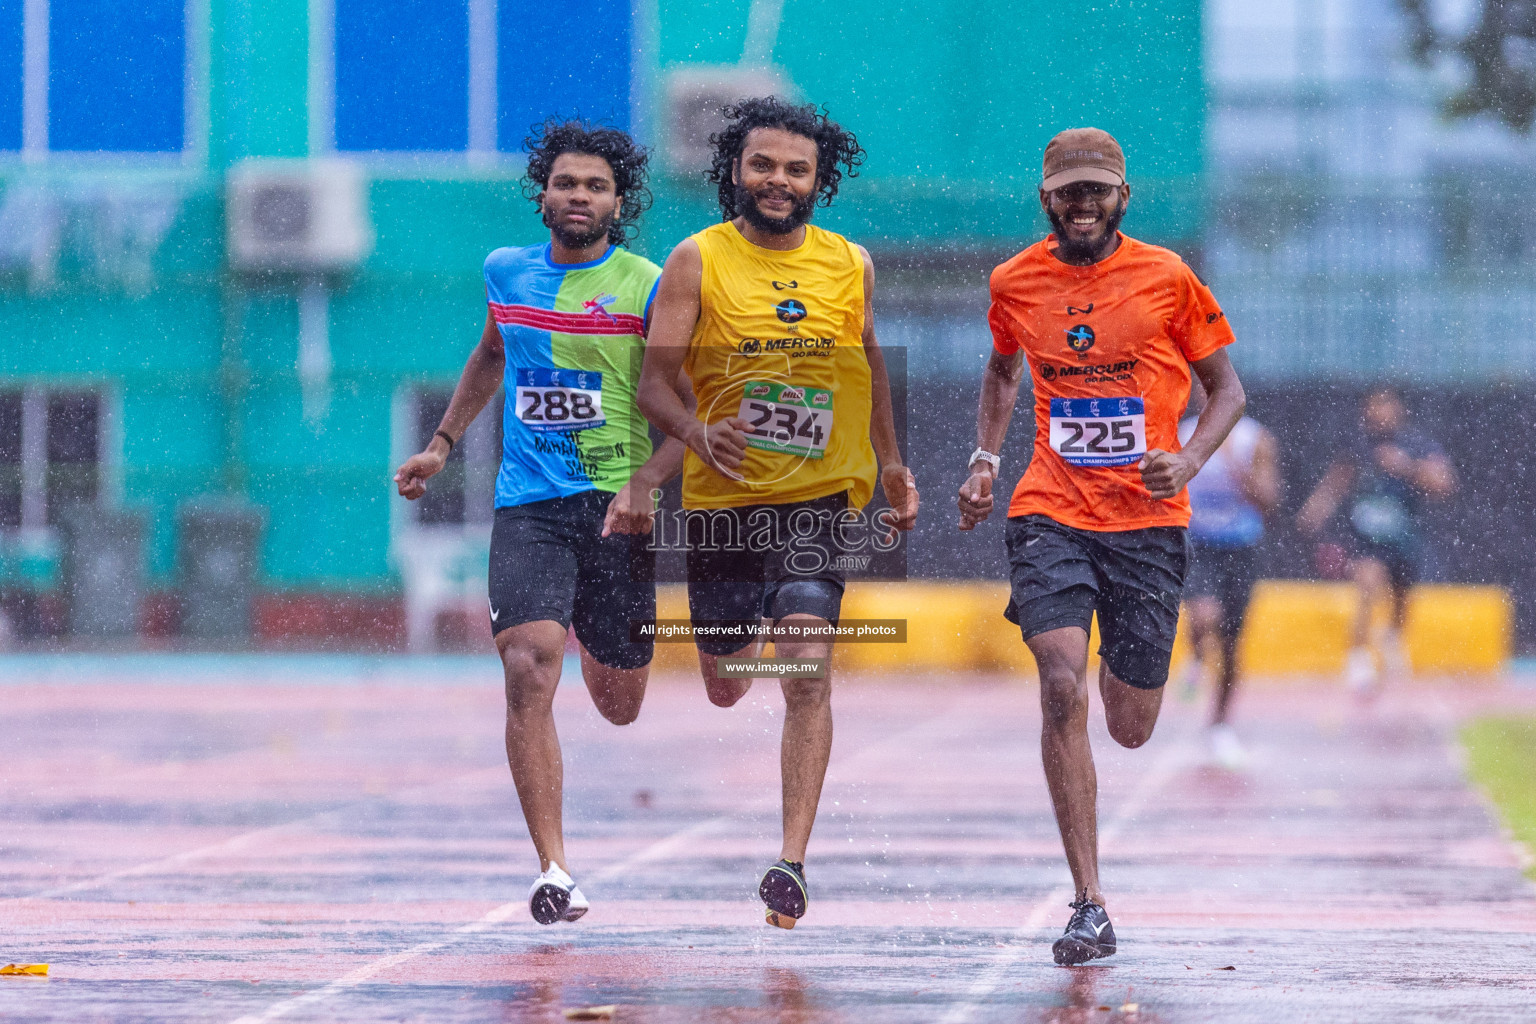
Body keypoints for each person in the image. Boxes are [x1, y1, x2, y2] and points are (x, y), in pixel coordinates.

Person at [956, 128, 1245, 965]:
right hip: (1051, 505)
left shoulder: (1168, 277)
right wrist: (984, 462)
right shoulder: (1012, 280)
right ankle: (1089, 902)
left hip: (1149, 522)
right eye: (1067, 192)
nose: (1083, 204)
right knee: (1057, 679)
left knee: (1130, 724)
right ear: (1046, 199)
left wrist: (1188, 457)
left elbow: (1227, 388)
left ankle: (1144, 660)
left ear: (1124, 197)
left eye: (1098, 190)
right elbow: (1003, 368)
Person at [393, 119, 690, 926]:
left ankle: (594, 633)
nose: (579, 196)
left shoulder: (649, 283)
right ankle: (554, 869)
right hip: (529, 504)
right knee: (527, 666)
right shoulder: (505, 272)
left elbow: (684, 401)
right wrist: (442, 443)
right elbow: (492, 353)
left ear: (617, 200)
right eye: (566, 183)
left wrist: (647, 481)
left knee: (620, 700)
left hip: (618, 513)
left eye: (595, 186)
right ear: (544, 194)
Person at [637, 96, 919, 929]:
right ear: (735, 170)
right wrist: (696, 432)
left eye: (796, 168)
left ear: (818, 180)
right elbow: (654, 383)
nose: (778, 180)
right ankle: (744, 638)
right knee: (725, 679)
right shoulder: (696, 261)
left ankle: (791, 862)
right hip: (725, 506)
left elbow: (868, 367)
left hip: (818, 501)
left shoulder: (851, 264)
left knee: (806, 659)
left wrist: (895, 468)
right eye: (763, 164)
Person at [1297, 388, 1455, 694]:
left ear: (1398, 409)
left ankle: (1393, 637)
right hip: (1366, 538)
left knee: (1402, 598)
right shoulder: (1358, 445)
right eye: (1373, 407)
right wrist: (1314, 511)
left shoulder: (1416, 444)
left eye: (1384, 407)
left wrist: (1405, 466)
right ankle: (1357, 657)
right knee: (1368, 585)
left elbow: (1443, 483)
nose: (1378, 413)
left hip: (1404, 536)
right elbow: (1336, 482)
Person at [1177, 401, 1280, 768]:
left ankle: (1219, 724)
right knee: (1205, 617)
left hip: (1241, 547)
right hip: (1199, 543)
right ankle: (1196, 656)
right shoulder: (1184, 434)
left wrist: (1236, 464)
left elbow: (1268, 500)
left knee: (1232, 641)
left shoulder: (1255, 439)